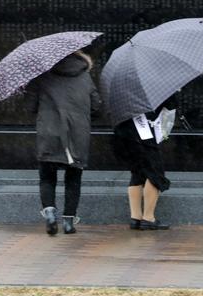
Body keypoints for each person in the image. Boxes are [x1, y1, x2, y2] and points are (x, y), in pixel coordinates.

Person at [26, 50, 101, 235]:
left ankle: (50, 213)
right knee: (73, 179)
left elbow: (30, 106)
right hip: (77, 134)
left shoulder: (42, 77)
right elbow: (96, 106)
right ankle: (68, 222)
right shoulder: (84, 77)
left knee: (47, 177)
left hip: (49, 133)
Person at [113, 109, 171, 230]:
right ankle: (148, 218)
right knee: (155, 173)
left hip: (124, 131)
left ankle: (136, 218)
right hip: (143, 133)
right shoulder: (150, 94)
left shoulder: (121, 95)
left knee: (137, 172)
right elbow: (169, 105)